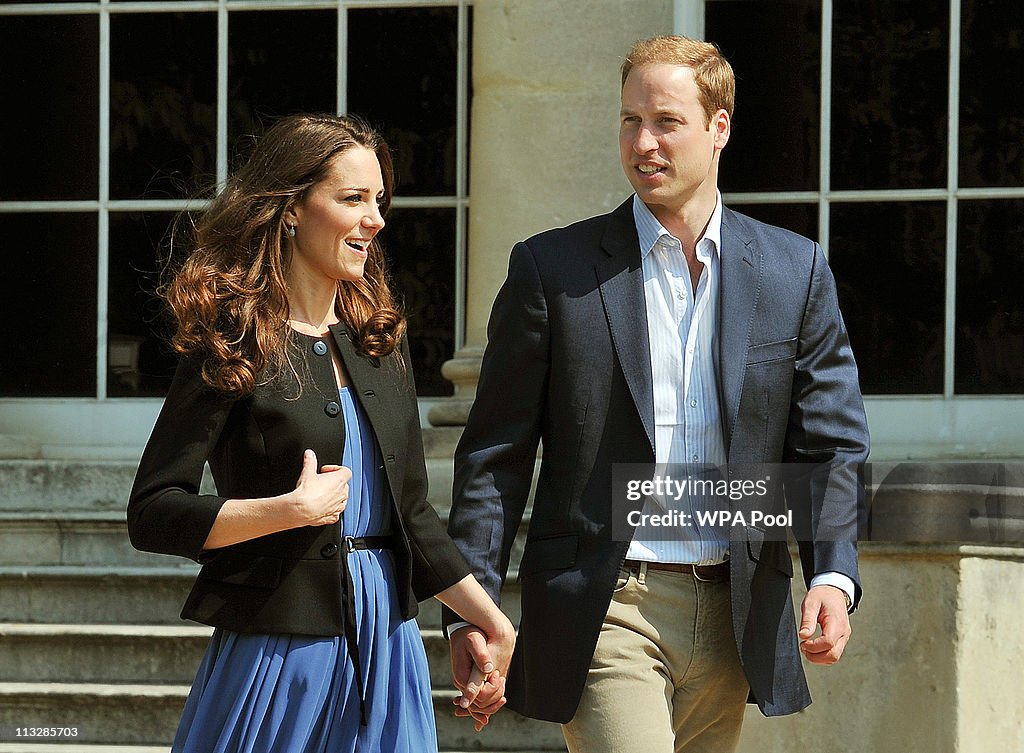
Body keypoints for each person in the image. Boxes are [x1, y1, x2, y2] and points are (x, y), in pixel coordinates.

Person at [443, 35, 869, 753]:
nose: (644, 143)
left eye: (666, 121)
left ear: (720, 126)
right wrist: (470, 607)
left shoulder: (794, 271)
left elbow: (830, 441)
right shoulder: (553, 270)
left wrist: (831, 568)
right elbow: (496, 452)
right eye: (630, 121)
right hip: (608, 605)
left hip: (738, 606)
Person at [127, 113, 513, 753]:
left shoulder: (379, 343)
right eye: (353, 199)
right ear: (290, 210)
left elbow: (414, 516)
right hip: (277, 649)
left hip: (387, 643)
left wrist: (487, 619)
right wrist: (286, 512)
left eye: (379, 201)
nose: (377, 220)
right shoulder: (231, 343)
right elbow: (152, 512)